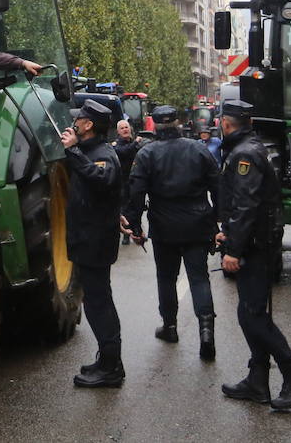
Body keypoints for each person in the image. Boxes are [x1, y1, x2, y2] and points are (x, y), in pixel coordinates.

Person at [216, 99, 291, 412]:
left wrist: (234, 250)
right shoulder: (248, 148)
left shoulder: (245, 154)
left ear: (226, 123)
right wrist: (227, 232)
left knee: (254, 315)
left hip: (255, 247)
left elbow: (246, 206)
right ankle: (257, 381)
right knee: (249, 313)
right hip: (254, 242)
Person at [122, 105, 219, 360]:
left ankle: (170, 326)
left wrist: (135, 225)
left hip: (164, 226)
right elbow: (218, 185)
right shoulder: (198, 148)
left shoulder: (147, 153)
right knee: (199, 278)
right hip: (198, 223)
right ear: (178, 122)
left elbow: (136, 192)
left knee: (166, 278)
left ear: (155, 125)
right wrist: (219, 222)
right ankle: (207, 333)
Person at [62, 98, 124, 388]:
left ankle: (111, 367)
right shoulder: (89, 151)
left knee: (99, 304)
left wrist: (73, 151)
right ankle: (106, 359)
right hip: (88, 240)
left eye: (79, 120)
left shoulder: (102, 154)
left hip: (95, 242)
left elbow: (100, 178)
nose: (74, 123)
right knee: (96, 301)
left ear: (88, 125)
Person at [113, 118, 142, 245]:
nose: (125, 129)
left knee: (137, 207)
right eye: (122, 128)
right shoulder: (117, 145)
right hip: (123, 182)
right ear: (118, 132)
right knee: (125, 208)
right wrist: (136, 143)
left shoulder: (135, 143)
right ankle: (126, 233)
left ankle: (137, 231)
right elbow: (123, 152)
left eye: (126, 127)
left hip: (136, 180)